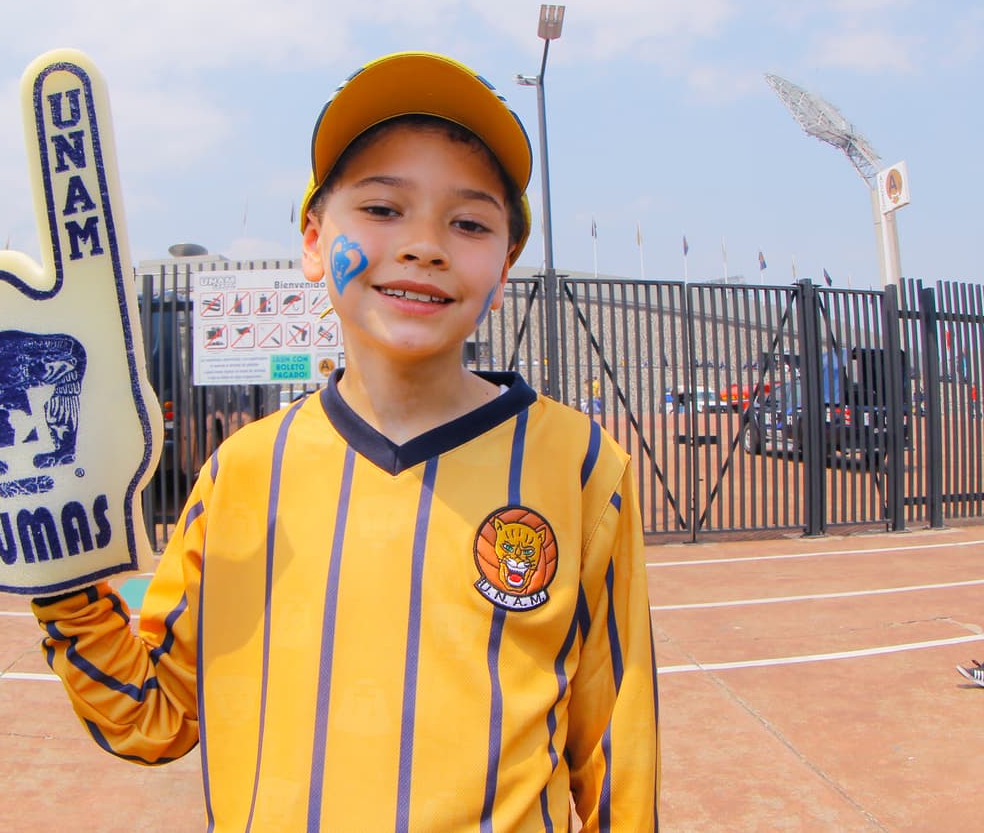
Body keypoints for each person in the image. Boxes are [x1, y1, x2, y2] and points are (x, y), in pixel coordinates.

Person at [32, 51, 660, 831]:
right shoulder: (243, 472)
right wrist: (57, 571)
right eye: (384, 208)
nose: (425, 244)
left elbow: (615, 759)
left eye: (468, 222)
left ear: (503, 268)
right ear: (312, 238)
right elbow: (152, 715)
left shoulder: (580, 465)